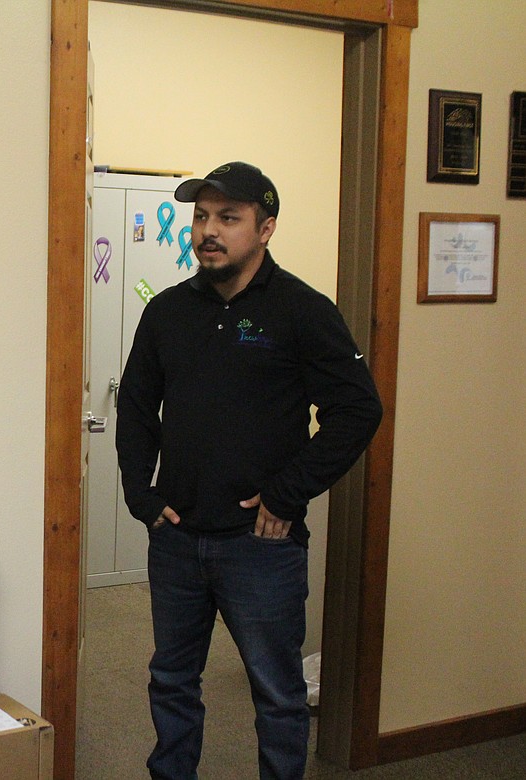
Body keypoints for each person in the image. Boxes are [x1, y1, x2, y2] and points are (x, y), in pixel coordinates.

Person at [114, 161, 382, 780]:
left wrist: (288, 494)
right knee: (172, 679)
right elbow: (135, 405)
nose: (209, 231)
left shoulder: (303, 311)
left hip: (261, 545)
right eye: (201, 217)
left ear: (265, 229)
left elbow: (357, 409)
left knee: (278, 693)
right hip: (177, 537)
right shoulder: (167, 312)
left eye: (228, 218)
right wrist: (140, 492)